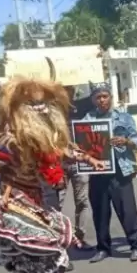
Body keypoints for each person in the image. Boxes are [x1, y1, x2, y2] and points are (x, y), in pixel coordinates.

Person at [0, 65, 106, 273]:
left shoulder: (47, 135)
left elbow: (63, 150)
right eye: (32, 105)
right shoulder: (10, 137)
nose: (40, 109)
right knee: (36, 241)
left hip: (37, 196)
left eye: (43, 103)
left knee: (49, 239)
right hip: (12, 197)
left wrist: (89, 159)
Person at [83, 82, 137, 263]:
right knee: (100, 212)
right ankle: (103, 248)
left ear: (110, 97)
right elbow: (81, 141)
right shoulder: (88, 118)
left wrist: (126, 141)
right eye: (98, 97)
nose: (102, 100)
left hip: (120, 169)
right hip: (98, 170)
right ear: (93, 99)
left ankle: (136, 246)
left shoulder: (124, 117)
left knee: (127, 211)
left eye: (105, 96)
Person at [43, 86, 94, 251]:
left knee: (82, 201)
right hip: (59, 164)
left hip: (80, 162)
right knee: (56, 203)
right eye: (64, 89)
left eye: (70, 89)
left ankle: (80, 237)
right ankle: (57, 240)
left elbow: (96, 93)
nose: (68, 92)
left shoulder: (84, 106)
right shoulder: (50, 111)